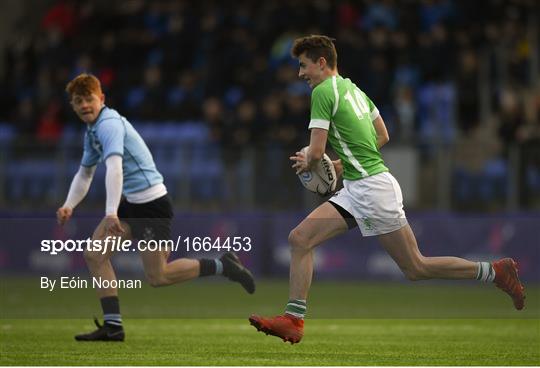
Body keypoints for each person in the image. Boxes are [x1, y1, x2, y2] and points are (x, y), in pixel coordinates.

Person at [249, 35, 525, 344]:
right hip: (359, 186)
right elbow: (382, 135)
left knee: (416, 267)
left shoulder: (323, 91)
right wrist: (341, 166)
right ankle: (293, 320)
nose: (301, 74)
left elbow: (315, 152)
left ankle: (496, 272)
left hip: (372, 190)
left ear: (322, 62)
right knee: (300, 239)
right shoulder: (356, 91)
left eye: (303, 66)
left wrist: (310, 163)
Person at [57, 73, 255, 342]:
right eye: (78, 101)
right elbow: (85, 173)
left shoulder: (109, 124)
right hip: (131, 204)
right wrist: (69, 204)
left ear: (101, 98)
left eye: (89, 99)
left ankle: (223, 265)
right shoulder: (92, 131)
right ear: (72, 105)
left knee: (158, 276)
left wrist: (111, 212)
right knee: (94, 254)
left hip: (152, 206)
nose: (84, 105)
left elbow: (115, 168)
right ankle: (113, 327)